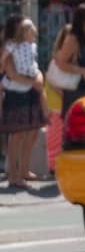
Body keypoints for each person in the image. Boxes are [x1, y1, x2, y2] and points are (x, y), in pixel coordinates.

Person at [1, 16, 46, 188]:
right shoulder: (10, 48)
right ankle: (13, 175)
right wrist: (34, 81)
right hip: (16, 94)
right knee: (17, 134)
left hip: (30, 92)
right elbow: (10, 73)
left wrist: (38, 79)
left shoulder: (30, 47)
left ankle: (24, 171)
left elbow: (35, 67)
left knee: (32, 131)